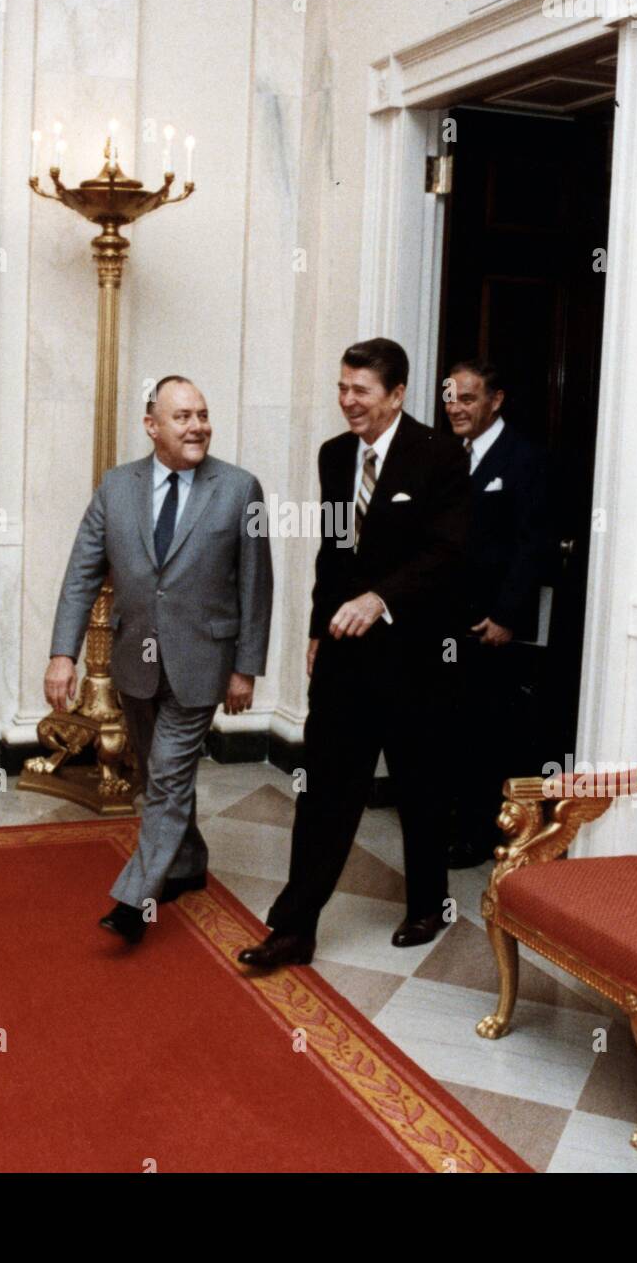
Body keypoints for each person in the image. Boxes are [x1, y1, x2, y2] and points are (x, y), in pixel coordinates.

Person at [239, 338, 468, 969]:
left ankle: (428, 904)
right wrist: (318, 627)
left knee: (420, 786)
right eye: (342, 387)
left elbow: (448, 555)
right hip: (344, 655)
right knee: (325, 791)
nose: (347, 401)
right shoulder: (335, 456)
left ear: (396, 395)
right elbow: (334, 550)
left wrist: (379, 599)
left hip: (415, 657)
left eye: (360, 390)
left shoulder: (440, 456)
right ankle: (294, 929)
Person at [45, 376, 273, 945]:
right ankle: (188, 861)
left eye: (203, 414)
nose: (198, 426)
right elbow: (81, 575)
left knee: (168, 778)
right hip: (135, 660)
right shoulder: (116, 487)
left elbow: (256, 585)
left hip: (203, 662)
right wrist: (61, 655)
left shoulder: (240, 488)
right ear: (152, 426)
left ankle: (132, 897)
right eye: (183, 417)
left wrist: (245, 667)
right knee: (154, 773)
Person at [443, 359, 551, 868]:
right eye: (450, 397)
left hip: (492, 625)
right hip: (445, 621)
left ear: (495, 400)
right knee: (449, 725)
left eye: (467, 398)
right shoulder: (445, 456)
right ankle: (450, 822)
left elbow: (534, 544)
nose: (455, 408)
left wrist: (508, 613)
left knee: (487, 730)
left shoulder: (524, 458)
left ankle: (478, 833)